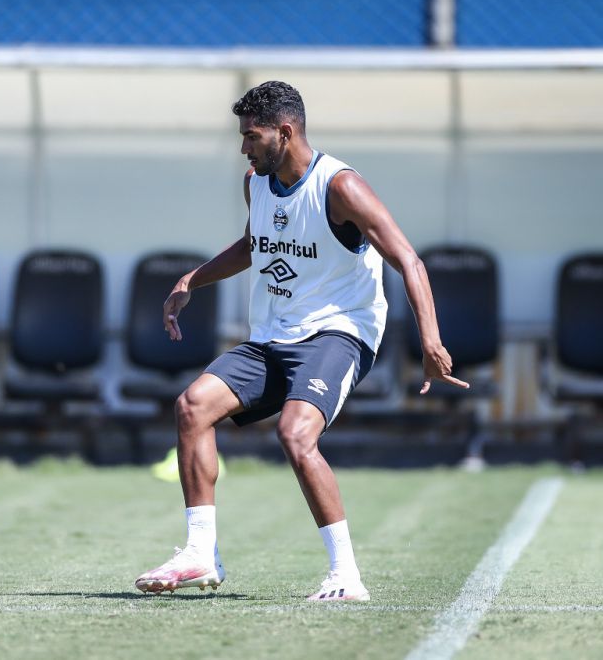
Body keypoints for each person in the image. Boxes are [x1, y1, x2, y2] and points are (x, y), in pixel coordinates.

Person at [134, 81, 468, 601]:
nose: (244, 146)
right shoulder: (257, 182)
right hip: (273, 336)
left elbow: (408, 259)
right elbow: (254, 243)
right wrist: (191, 280)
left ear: (284, 133)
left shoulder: (341, 187)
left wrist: (430, 339)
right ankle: (201, 554)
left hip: (339, 331)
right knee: (192, 406)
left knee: (295, 433)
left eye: (251, 136)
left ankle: (346, 576)